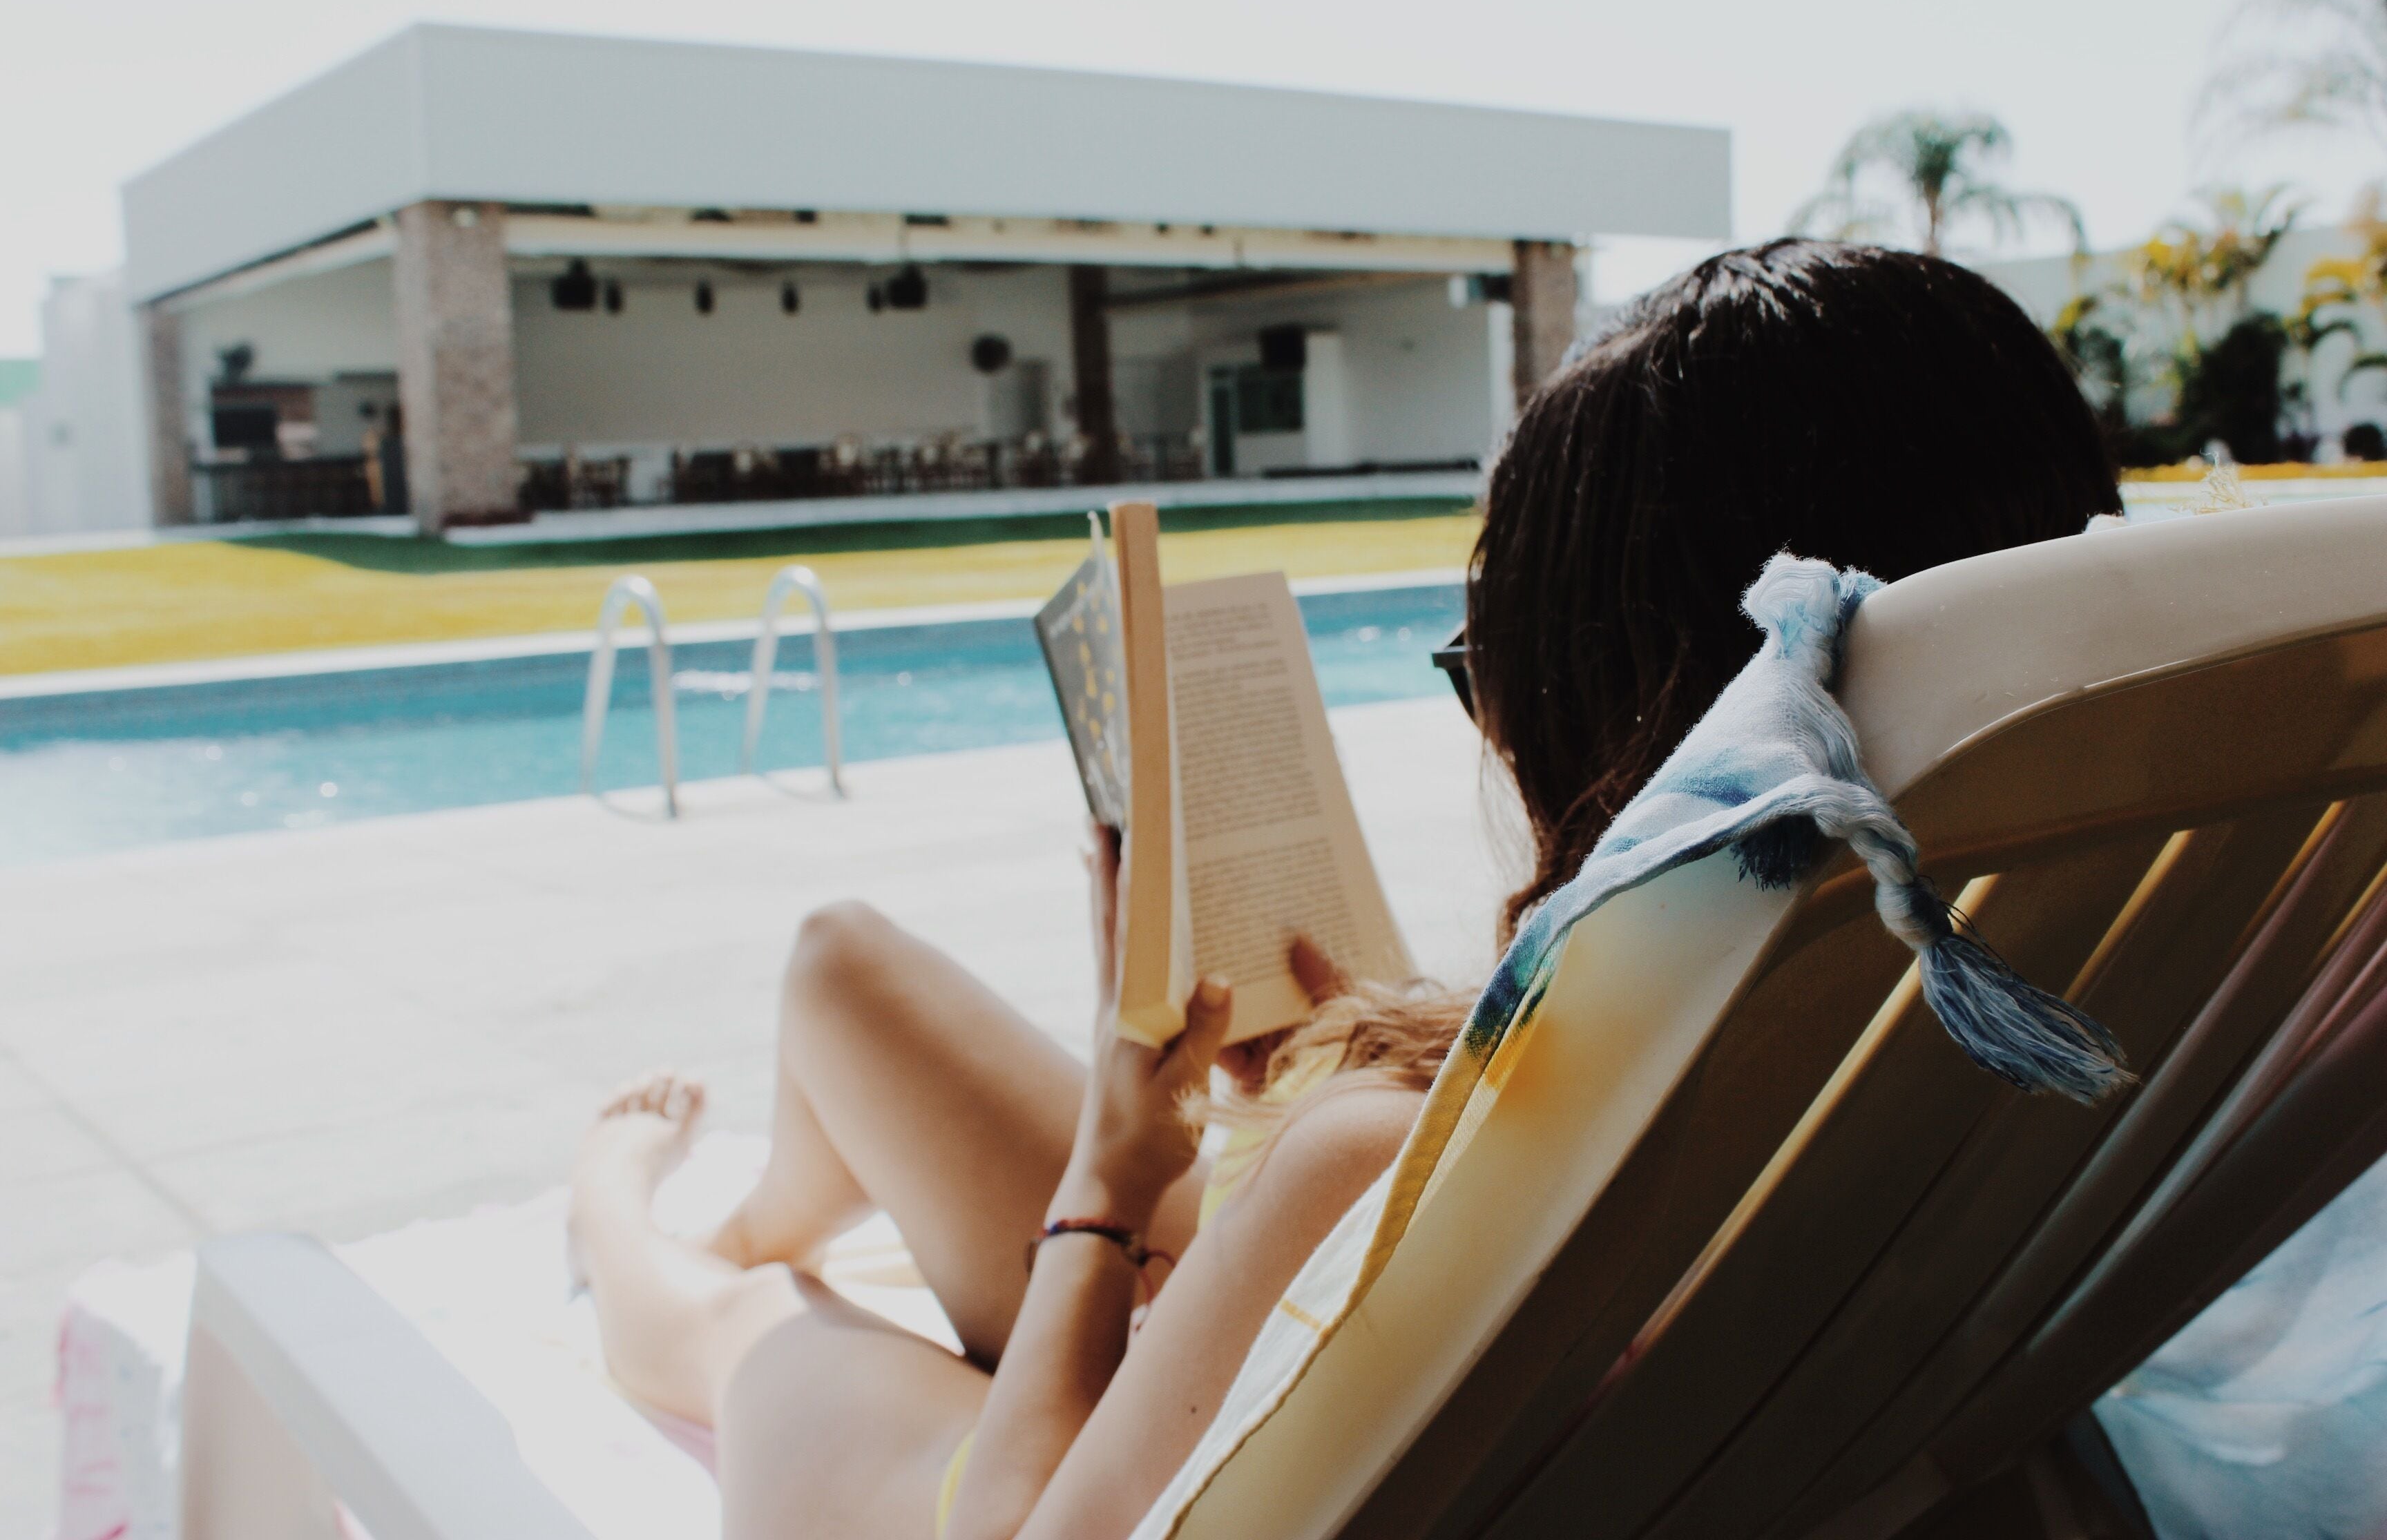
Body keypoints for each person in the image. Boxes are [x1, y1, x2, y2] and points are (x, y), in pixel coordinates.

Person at [566, 240, 2124, 1540]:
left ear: (1621, 705)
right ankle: (772, 1210)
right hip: (1416, 1361)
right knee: (844, 969)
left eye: (1490, 672)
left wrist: (1112, 1177)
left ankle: (618, 1208)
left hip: (1053, 1480)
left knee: (754, 1332)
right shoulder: (2104, 992)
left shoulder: (1377, 1170)